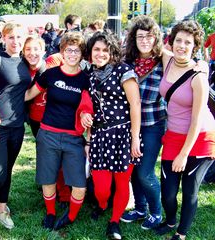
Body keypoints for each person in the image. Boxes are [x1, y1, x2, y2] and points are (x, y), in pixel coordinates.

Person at [154, 20, 215, 240]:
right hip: (174, 135)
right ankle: (170, 220)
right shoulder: (167, 59)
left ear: (195, 46)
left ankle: (181, 233)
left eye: (187, 42)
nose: (181, 45)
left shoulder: (199, 76)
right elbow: (147, 41)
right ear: (171, 41)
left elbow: (197, 120)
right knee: (168, 192)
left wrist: (183, 154)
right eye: (178, 40)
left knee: (190, 190)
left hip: (200, 138)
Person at [25, 31, 90, 231]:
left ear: (81, 54)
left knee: (79, 185)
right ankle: (51, 213)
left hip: (73, 138)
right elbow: (28, 94)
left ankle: (70, 217)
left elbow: (88, 107)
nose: (72, 54)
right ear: (62, 51)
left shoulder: (86, 80)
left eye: (76, 50)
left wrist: (85, 123)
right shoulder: (50, 74)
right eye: (68, 49)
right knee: (48, 178)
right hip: (48, 134)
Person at [80, 31, 142, 240]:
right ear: (90, 52)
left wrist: (135, 138)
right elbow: (88, 106)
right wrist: (87, 134)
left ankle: (114, 221)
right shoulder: (88, 74)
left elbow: (135, 104)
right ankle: (103, 203)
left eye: (105, 50)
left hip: (123, 134)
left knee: (122, 182)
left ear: (113, 51)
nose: (100, 53)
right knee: (101, 186)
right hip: (98, 135)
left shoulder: (124, 71)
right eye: (96, 49)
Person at [0, 22, 31, 229]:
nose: (15, 41)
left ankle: (2, 208)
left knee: (8, 169)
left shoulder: (27, 62)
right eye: (11, 37)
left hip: (17, 127)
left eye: (19, 37)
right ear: (4, 38)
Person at [120, 16, 166, 230]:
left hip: (153, 125)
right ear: (133, 38)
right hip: (129, 124)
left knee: (145, 171)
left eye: (149, 36)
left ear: (156, 38)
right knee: (134, 169)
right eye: (140, 36)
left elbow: (186, 64)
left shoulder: (163, 62)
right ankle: (140, 208)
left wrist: (202, 65)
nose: (145, 41)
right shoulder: (127, 61)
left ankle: (156, 212)